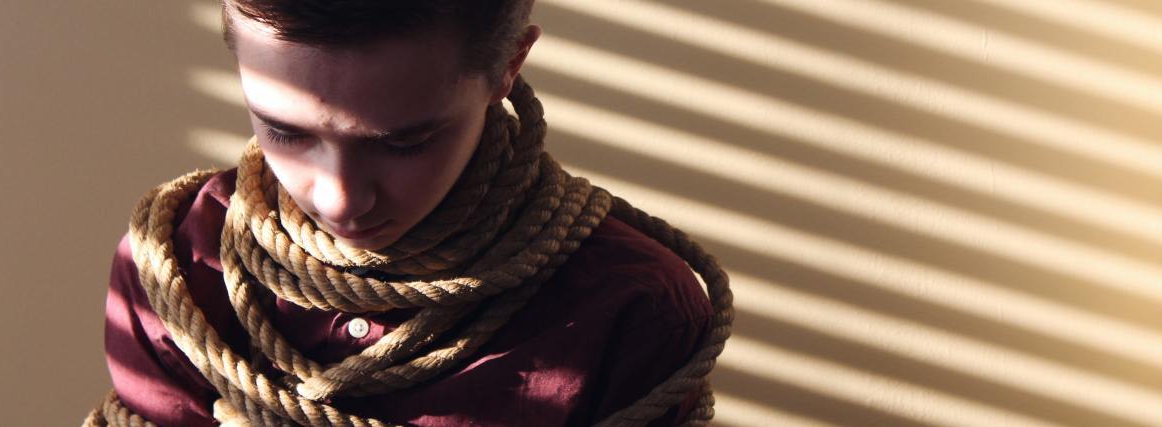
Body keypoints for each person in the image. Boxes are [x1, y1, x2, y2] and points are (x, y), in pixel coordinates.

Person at [85, 1, 732, 426]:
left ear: (509, 64)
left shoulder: (634, 307)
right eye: (286, 131)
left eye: (404, 143)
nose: (340, 197)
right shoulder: (177, 266)